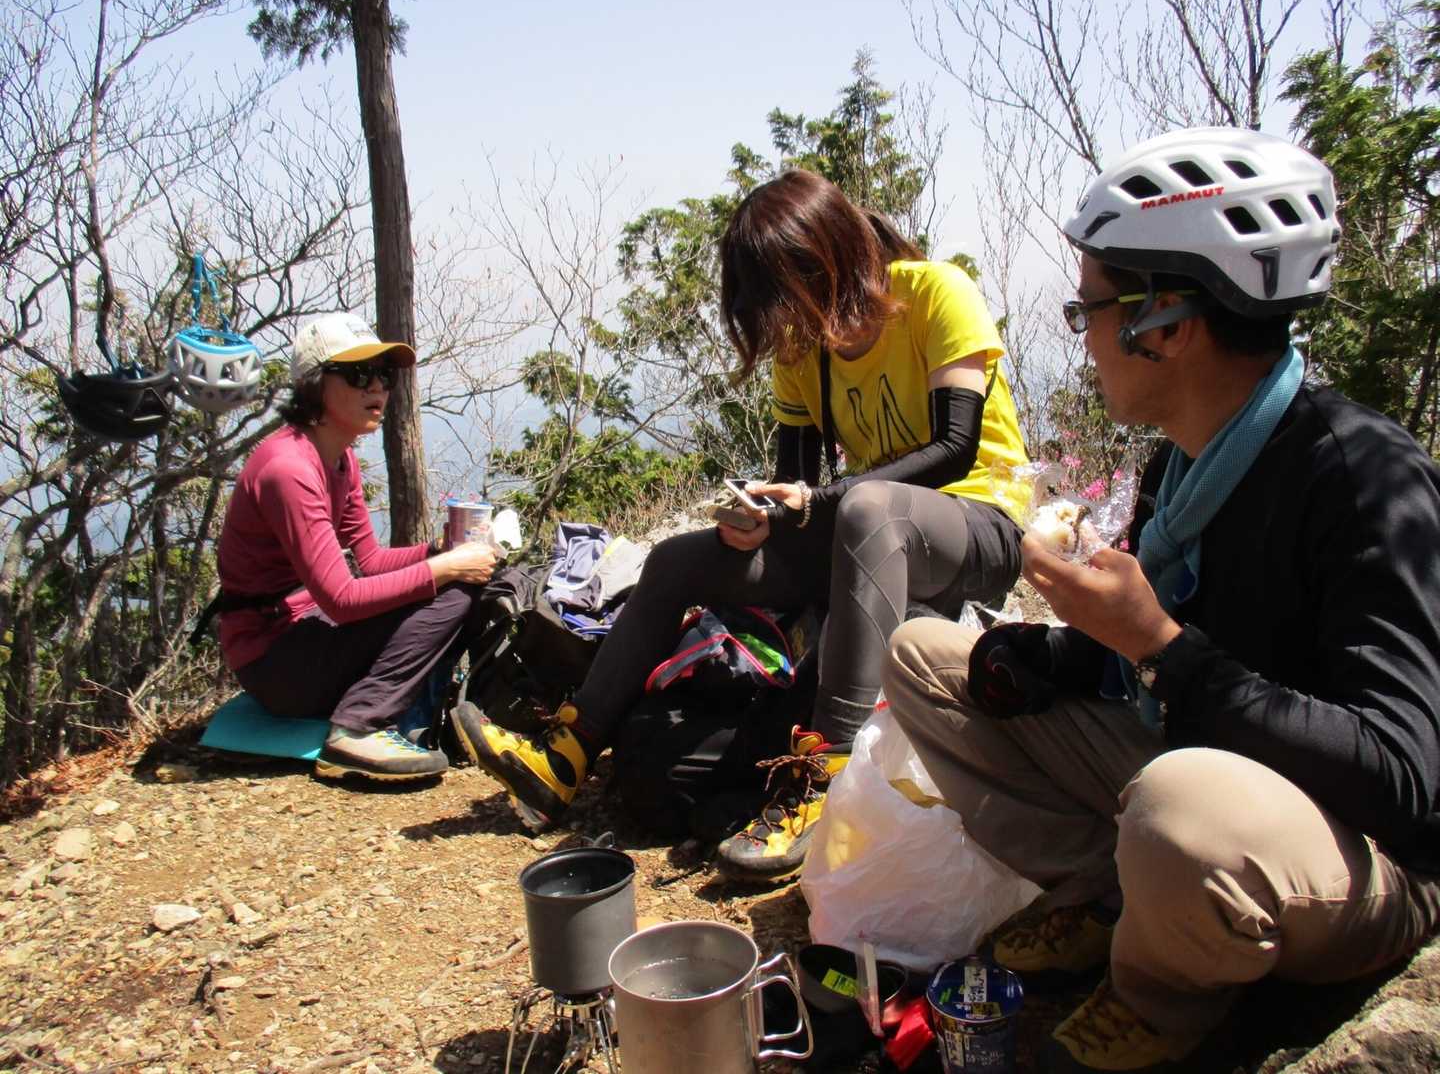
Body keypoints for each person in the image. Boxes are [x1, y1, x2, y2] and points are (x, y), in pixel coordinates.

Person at [883, 126, 1440, 1072]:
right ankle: (1109, 900)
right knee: (925, 657)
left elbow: (1403, 782)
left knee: (1181, 806)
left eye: (1088, 309)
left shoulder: (1360, 479)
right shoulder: (1182, 468)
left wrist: (1160, 647)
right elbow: (1160, 657)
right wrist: (1050, 652)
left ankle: (1161, 998)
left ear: (1166, 323)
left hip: (1359, 855)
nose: (1084, 339)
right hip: (1199, 772)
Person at [454, 169, 1030, 877]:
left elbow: (956, 448)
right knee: (677, 560)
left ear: (826, 261)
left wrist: (817, 502)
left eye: (782, 294)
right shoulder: (804, 351)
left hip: (979, 526)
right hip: (867, 535)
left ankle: (825, 779)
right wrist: (763, 517)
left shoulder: (936, 292)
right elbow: (801, 487)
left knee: (866, 506)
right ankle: (566, 754)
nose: (782, 320)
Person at [215, 312, 498, 781]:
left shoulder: (339, 457)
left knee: (469, 583)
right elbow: (343, 599)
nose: (378, 388)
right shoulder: (289, 469)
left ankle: (429, 706)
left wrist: (440, 550)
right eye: (359, 374)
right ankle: (358, 728)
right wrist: (448, 568)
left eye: (383, 375)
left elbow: (371, 561)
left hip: (308, 633)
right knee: (453, 591)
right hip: (275, 662)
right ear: (313, 384)